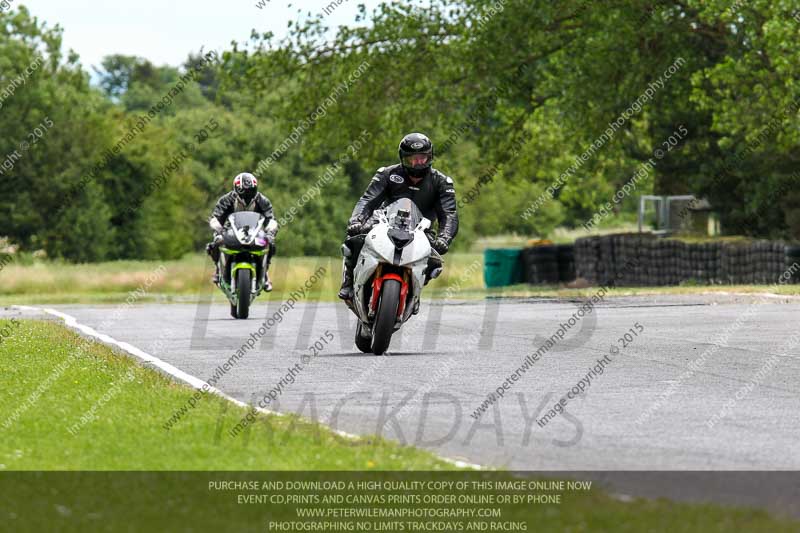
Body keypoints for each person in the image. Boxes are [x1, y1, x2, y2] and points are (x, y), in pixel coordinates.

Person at [338, 133, 459, 301]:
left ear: (430, 157)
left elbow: (449, 214)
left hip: (421, 229)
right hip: (383, 221)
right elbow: (368, 200)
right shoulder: (387, 173)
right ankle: (348, 281)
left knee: (435, 262)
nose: (418, 163)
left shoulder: (441, 182)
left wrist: (445, 237)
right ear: (403, 158)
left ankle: (413, 293)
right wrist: (357, 220)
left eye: (422, 158)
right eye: (412, 159)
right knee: (354, 238)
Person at [206, 172, 278, 291]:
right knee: (215, 243)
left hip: (255, 233)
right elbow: (216, 216)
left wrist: (270, 231)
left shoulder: (262, 200)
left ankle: (265, 273)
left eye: (250, 190)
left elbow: (270, 218)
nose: (247, 194)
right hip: (230, 231)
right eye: (244, 191)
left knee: (270, 243)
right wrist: (218, 228)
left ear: (255, 188)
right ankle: (218, 270)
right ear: (236, 189)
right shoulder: (226, 200)